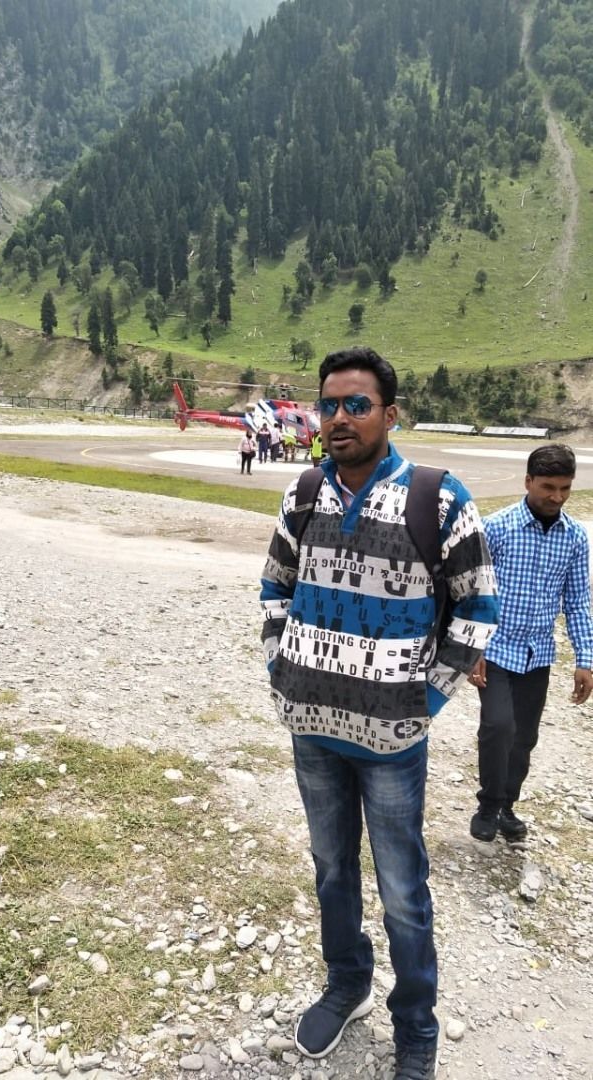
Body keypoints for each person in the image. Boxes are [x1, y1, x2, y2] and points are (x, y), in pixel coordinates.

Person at [260, 346, 498, 1079]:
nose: (339, 418)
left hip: (392, 740)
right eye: (328, 405)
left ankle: (415, 1026)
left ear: (389, 414)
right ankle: (347, 985)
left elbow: (478, 607)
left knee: (401, 889)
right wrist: (281, 670)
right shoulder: (304, 492)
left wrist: (425, 700)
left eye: (356, 405)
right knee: (332, 869)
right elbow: (274, 589)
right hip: (312, 732)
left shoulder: (439, 498)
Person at [468, 443, 593, 843]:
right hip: (496, 649)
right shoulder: (496, 527)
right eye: (548, 487)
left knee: (524, 738)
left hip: (538, 654)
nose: (557, 497)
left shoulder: (575, 538)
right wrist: (473, 648)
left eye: (565, 488)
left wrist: (585, 659)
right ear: (528, 482)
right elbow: (473, 590)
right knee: (498, 726)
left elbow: (578, 600)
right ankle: (488, 804)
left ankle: (507, 805)